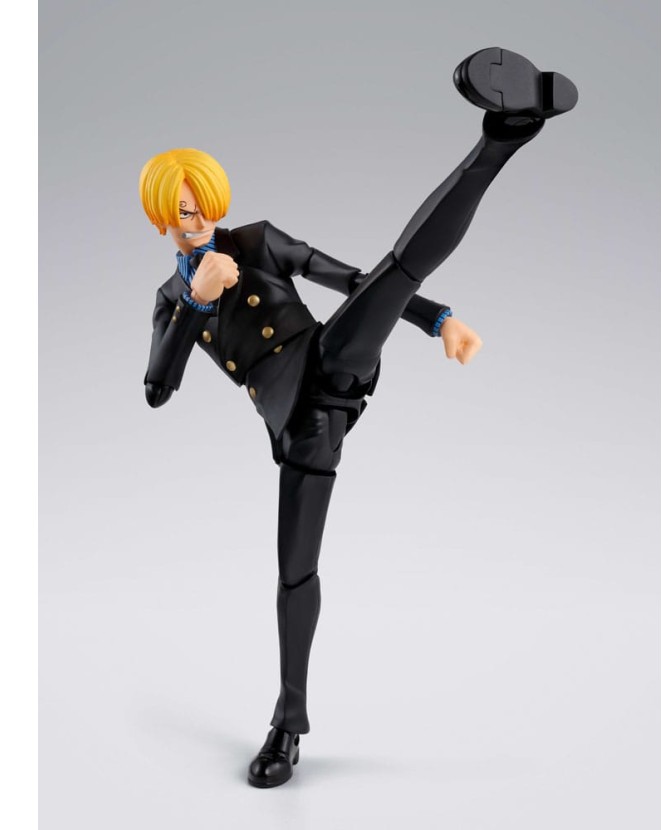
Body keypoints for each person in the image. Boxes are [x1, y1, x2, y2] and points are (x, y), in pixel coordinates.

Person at [140, 47, 578, 788]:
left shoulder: (257, 241)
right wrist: (193, 300)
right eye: (183, 212)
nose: (199, 220)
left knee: (397, 270)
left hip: (330, 362)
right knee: (295, 574)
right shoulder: (171, 299)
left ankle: (501, 139)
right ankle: (289, 725)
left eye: (205, 205)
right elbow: (157, 389)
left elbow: (351, 278)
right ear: (161, 220)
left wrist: (436, 319)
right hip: (295, 427)